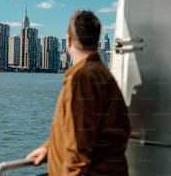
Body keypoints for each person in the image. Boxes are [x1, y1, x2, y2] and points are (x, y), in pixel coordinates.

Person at [26, 10, 131, 176]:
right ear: (96, 40)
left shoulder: (83, 78)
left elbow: (79, 147)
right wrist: (50, 148)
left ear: (68, 40)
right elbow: (82, 129)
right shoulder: (101, 73)